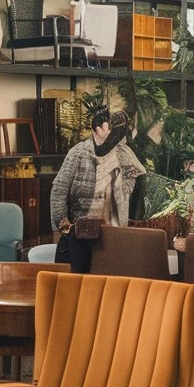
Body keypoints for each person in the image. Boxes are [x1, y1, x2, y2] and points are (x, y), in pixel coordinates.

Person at [50, 107, 147, 274]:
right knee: (78, 278)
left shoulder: (122, 151)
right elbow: (59, 188)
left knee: (111, 278)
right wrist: (63, 223)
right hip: (80, 230)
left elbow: (136, 174)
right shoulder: (78, 153)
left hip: (112, 229)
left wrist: (124, 192)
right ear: (99, 128)